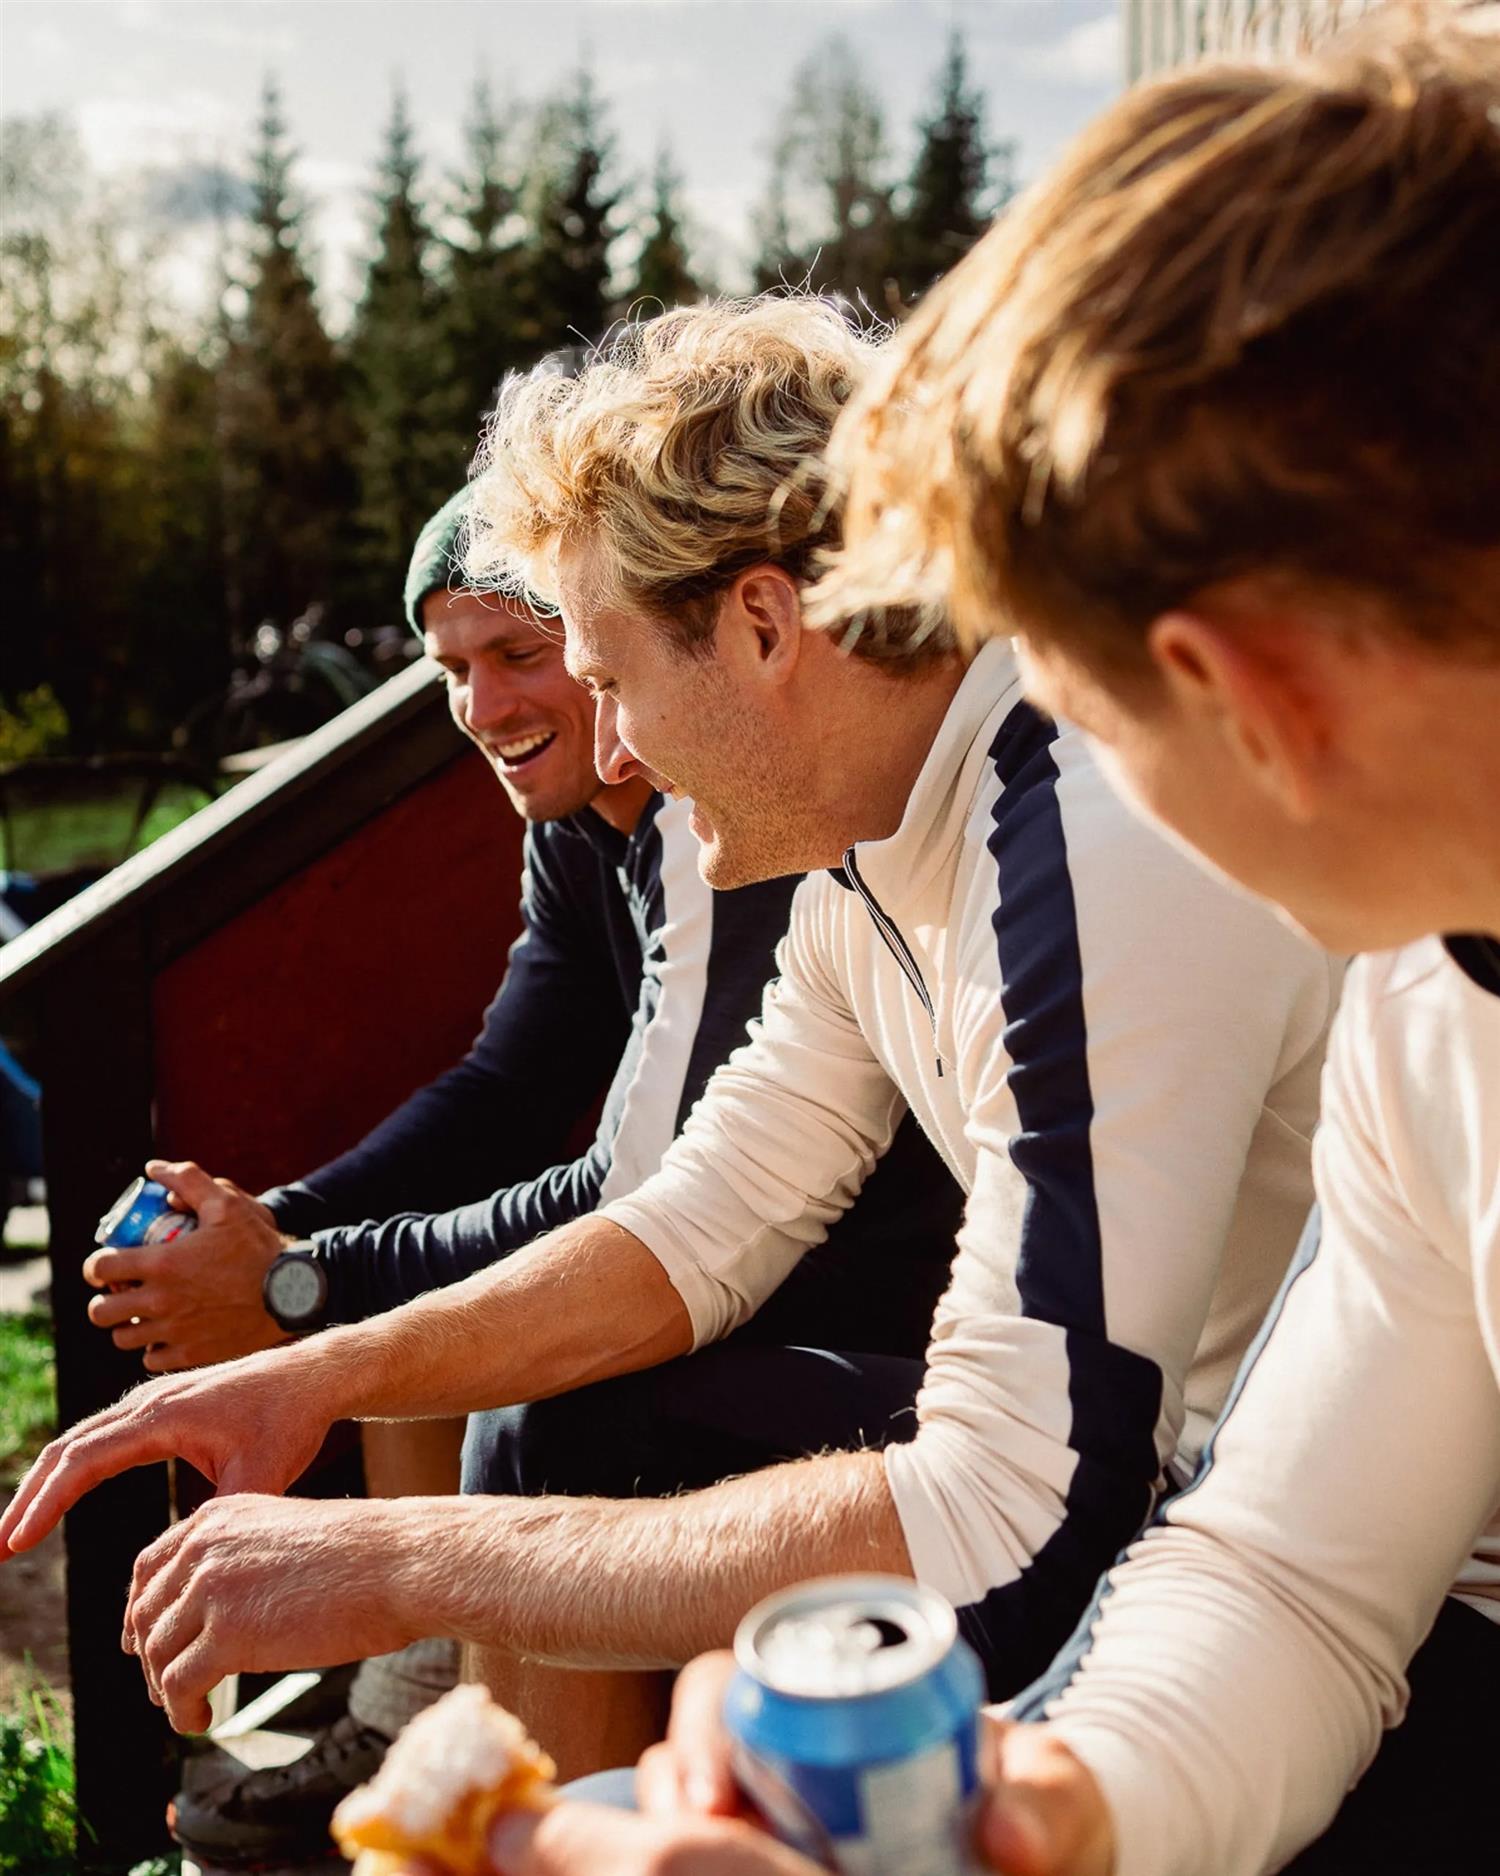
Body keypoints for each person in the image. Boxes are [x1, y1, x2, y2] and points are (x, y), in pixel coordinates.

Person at [1, 298, 1338, 1790]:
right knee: (542, 1438)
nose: (611, 750)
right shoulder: (870, 827)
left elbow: (1023, 1519)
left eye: (611, 677)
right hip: (1131, 1463)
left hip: (1274, 1537)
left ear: (765, 624)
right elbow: (700, 1223)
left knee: (534, 1478)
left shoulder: (1087, 823)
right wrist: (316, 1371)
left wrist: (402, 1560)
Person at [530, 11, 1500, 1876]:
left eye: (1057, 684)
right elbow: (1299, 1577)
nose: (1044, 753)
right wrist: (1026, 1811)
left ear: (1240, 696)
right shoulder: (1423, 994)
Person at [90, 488, 966, 1865]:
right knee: (404, 1317)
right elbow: (511, 1090)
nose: (486, 707)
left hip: (879, 1300)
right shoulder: (583, 818)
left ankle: (478, 1776)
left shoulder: (716, 807)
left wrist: (302, 1285)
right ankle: (422, 1718)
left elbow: (643, 1197)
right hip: (794, 1266)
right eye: (449, 670)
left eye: (525, 653)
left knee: (523, 1394)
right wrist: (283, 1247)